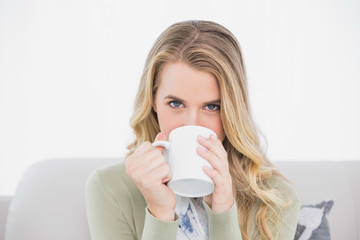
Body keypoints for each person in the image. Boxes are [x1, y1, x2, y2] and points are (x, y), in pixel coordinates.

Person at [85, 20, 300, 240]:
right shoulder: (109, 188)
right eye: (176, 104)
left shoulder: (277, 200)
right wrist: (160, 213)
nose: (191, 125)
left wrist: (224, 210)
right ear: (153, 101)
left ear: (232, 112)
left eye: (212, 107)